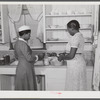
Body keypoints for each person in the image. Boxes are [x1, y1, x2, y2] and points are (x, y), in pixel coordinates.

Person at [58, 20, 87, 91]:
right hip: (77, 63)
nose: (68, 32)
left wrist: (62, 57)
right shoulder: (78, 35)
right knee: (76, 85)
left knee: (75, 86)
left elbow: (71, 55)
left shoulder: (76, 37)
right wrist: (64, 53)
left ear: (72, 28)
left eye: (68, 30)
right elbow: (73, 51)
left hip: (75, 65)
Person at [14, 25, 44, 90]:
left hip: (21, 68)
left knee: (22, 87)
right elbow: (29, 58)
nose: (30, 36)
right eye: (29, 34)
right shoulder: (22, 43)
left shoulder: (17, 43)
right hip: (26, 69)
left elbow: (17, 56)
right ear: (24, 34)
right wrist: (38, 57)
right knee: (27, 87)